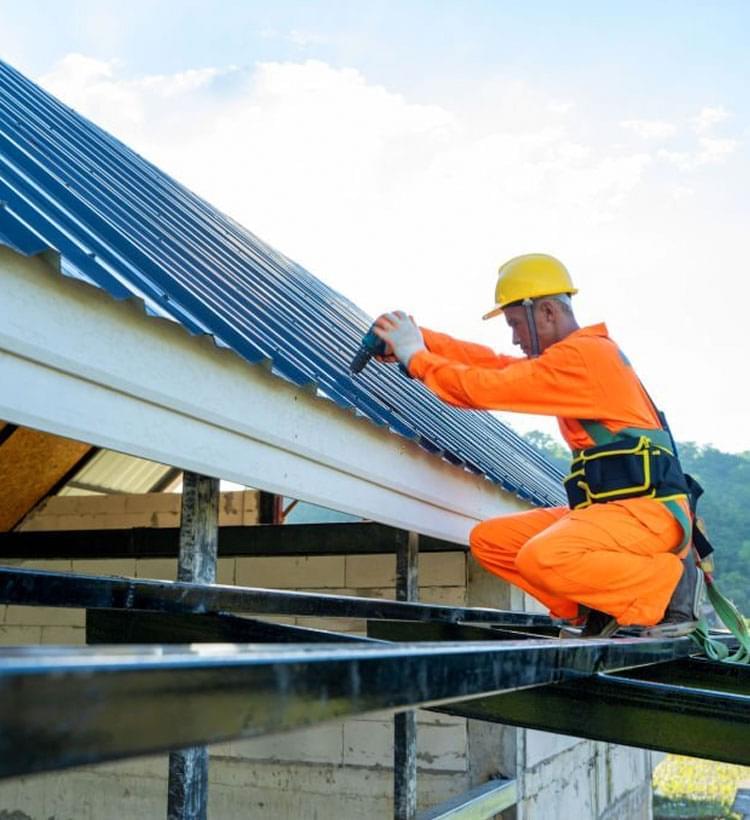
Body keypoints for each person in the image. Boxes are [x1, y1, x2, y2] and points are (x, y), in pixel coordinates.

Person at [373, 253, 703, 638]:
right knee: (492, 542)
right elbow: (496, 365)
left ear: (546, 311)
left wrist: (416, 357)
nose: (515, 337)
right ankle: (595, 607)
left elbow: (483, 387)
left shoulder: (584, 356)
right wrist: (423, 340)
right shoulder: (574, 356)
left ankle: (668, 586)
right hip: (617, 513)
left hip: (646, 515)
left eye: (515, 323)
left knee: (542, 557)